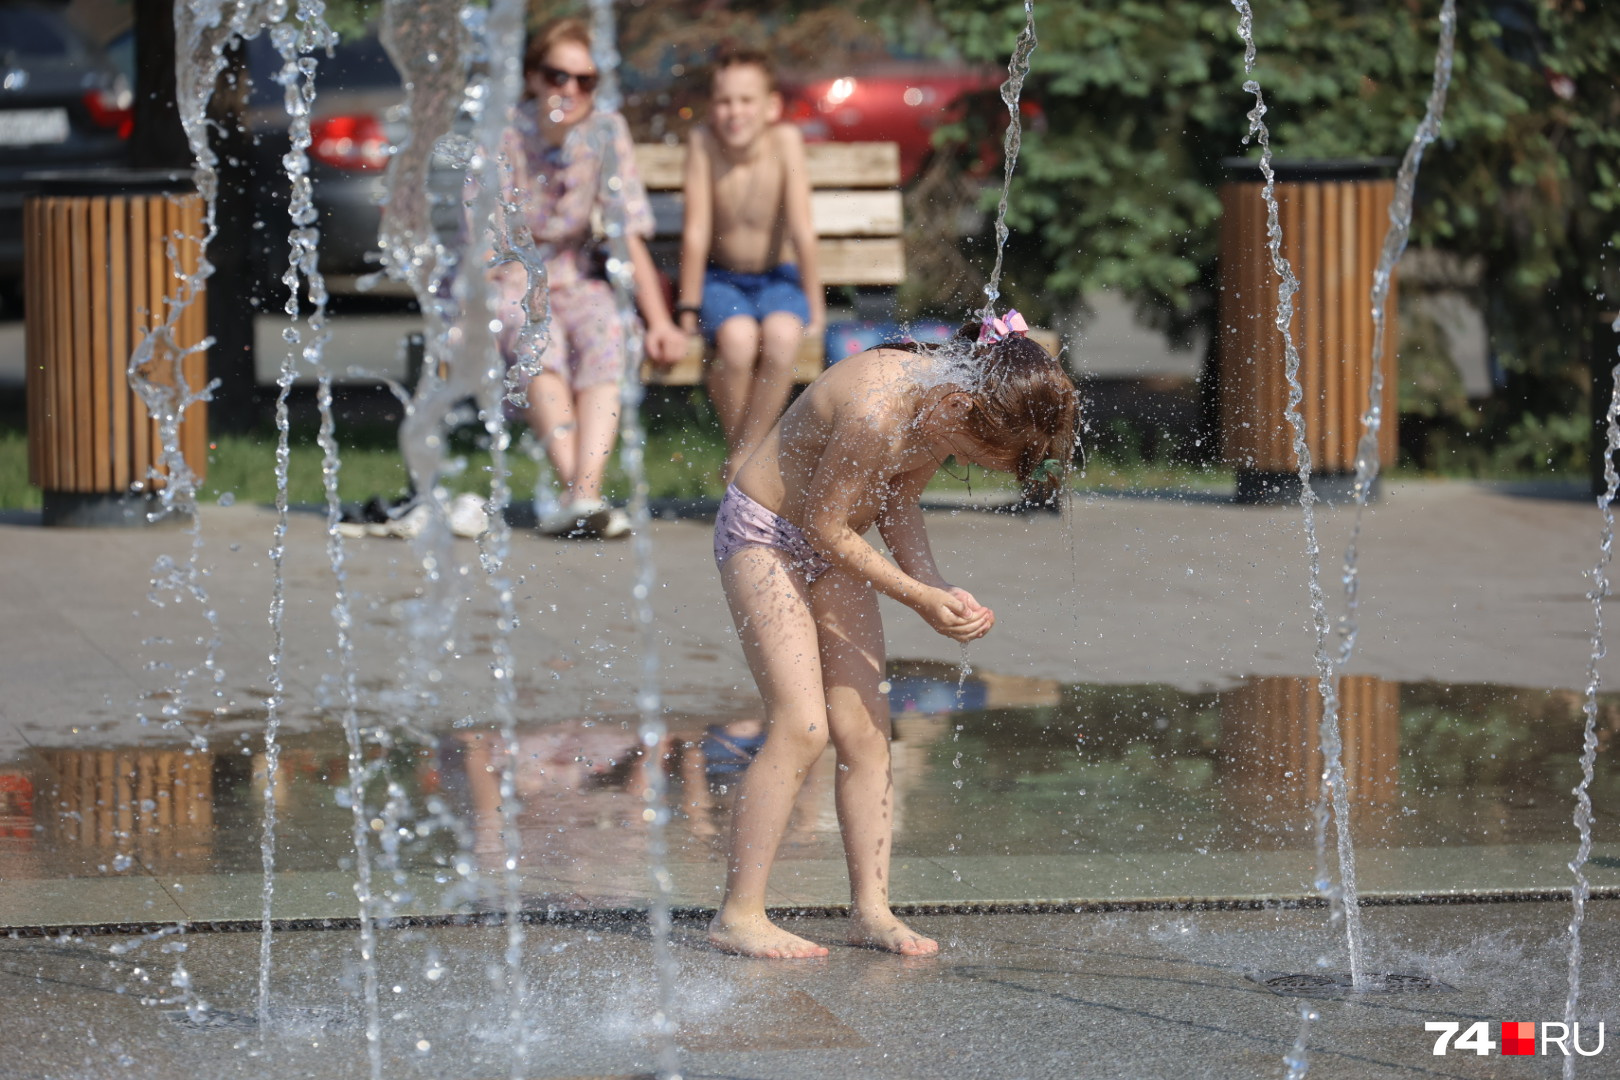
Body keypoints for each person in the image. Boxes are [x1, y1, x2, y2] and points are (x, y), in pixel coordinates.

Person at [707, 310, 1079, 958]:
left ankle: (871, 911)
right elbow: (826, 527)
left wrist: (940, 586)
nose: (957, 461)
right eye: (966, 455)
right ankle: (739, 914)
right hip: (766, 536)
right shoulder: (880, 407)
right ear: (960, 406)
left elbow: (896, 500)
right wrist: (919, 599)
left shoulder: (948, 401)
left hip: (834, 544)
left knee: (866, 728)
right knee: (803, 725)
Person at [491, 17, 687, 539]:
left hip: (577, 276)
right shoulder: (504, 134)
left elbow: (626, 236)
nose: (571, 90)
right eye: (558, 76)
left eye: (586, 80)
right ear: (533, 77)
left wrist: (662, 320)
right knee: (540, 338)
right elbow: (485, 247)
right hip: (513, 278)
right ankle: (579, 496)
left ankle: (583, 496)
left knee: (609, 333)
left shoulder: (606, 131)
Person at [676, 47, 825, 485]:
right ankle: (755, 462)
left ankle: (742, 456)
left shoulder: (785, 142)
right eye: (724, 101)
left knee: (782, 337)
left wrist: (815, 307)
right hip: (722, 279)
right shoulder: (703, 144)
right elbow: (695, 232)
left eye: (746, 101)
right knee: (738, 341)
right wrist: (687, 307)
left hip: (778, 278)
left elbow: (802, 230)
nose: (734, 112)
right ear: (711, 107)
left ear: (770, 107)